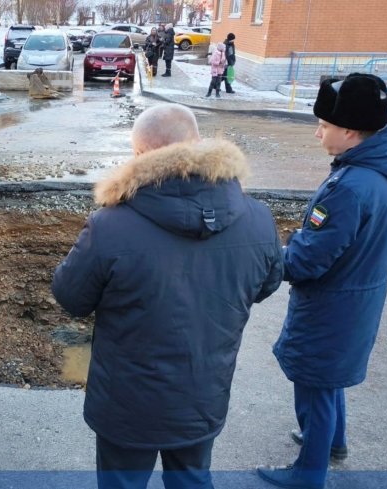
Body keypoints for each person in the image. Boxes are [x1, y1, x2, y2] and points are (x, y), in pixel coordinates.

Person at [51, 103, 284, 489]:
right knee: (192, 479)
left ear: (140, 154)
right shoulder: (257, 218)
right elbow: (267, 284)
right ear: (198, 143)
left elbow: (71, 297)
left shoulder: (110, 225)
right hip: (203, 393)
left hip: (127, 403)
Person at [257, 73, 387, 489]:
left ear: (349, 131)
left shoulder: (349, 187)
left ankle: (308, 474)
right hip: (359, 295)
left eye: (324, 125)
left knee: (314, 383)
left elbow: (306, 261)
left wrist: (271, 256)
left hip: (332, 304)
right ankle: (333, 441)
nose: (318, 133)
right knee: (328, 379)